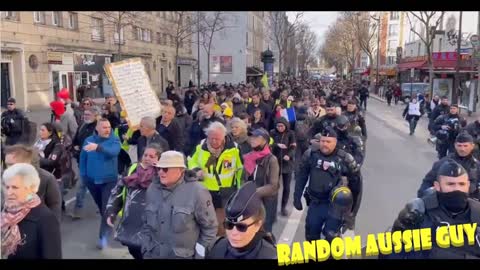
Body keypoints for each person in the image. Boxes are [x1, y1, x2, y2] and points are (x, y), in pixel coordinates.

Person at [383, 160, 480, 259]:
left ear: (468, 185)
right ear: (437, 186)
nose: (457, 189)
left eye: (462, 184)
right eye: (450, 184)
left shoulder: (477, 214)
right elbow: (391, 251)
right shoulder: (418, 212)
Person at [140, 151, 218, 259]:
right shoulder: (152, 189)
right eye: (159, 168)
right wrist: (145, 248)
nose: (161, 172)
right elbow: (146, 223)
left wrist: (199, 256)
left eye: (166, 169)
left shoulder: (197, 191)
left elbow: (209, 229)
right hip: (153, 255)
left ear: (180, 170)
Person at [294, 127, 360, 241]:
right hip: (316, 203)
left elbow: (357, 187)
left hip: (335, 207)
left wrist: (352, 213)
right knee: (311, 234)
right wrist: (296, 197)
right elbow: (301, 177)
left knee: (331, 238)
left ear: (335, 142)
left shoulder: (345, 159)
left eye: (328, 142)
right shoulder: (311, 155)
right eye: (323, 141)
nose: (324, 144)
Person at [105, 144, 163, 259]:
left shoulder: (162, 174)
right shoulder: (132, 169)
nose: (147, 158)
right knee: (134, 250)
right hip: (130, 223)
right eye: (145, 155)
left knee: (148, 252)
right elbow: (118, 191)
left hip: (151, 225)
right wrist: (112, 211)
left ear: (159, 159)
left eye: (152, 156)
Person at [188, 122, 243, 237]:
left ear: (224, 137)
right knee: (204, 221)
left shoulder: (234, 149)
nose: (214, 142)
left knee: (221, 224)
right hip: (206, 190)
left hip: (226, 192)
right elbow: (191, 160)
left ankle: (219, 244)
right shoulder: (201, 146)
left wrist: (239, 189)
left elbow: (240, 169)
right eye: (211, 138)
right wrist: (196, 170)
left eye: (217, 139)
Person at [2, 163, 62, 259]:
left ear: (31, 189)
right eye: (7, 187)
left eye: (15, 187)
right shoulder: (4, 212)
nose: (9, 193)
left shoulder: (45, 219)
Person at [79, 118, 121, 249]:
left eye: (108, 127)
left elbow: (114, 152)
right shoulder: (88, 140)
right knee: (102, 209)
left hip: (109, 181)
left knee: (106, 208)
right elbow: (83, 158)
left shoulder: (114, 140)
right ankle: (109, 223)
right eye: (104, 127)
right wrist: (84, 175)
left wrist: (98, 147)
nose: (107, 129)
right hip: (92, 181)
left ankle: (103, 238)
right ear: (97, 128)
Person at [206, 182, 277, 259]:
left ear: (258, 225)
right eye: (229, 225)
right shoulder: (216, 249)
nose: (234, 233)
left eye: (241, 227)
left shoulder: (273, 256)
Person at [3, 145, 62, 222]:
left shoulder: (46, 178)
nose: (9, 168)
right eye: (7, 164)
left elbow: (54, 205)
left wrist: (52, 227)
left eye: (12, 165)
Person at [418, 133, 480, 200]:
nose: (462, 149)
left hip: (467, 204)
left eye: (465, 146)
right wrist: (422, 199)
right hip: (444, 202)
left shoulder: (476, 165)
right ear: (455, 146)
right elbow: (428, 181)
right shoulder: (444, 162)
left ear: (472, 146)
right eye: (459, 146)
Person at [242, 129, 279, 234]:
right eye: (252, 137)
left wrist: (253, 192)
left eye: (257, 138)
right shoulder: (247, 156)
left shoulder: (272, 159)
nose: (252, 140)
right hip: (250, 201)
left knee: (265, 232)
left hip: (266, 202)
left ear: (265, 141)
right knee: (250, 230)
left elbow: (273, 186)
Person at [70, 108, 98, 219]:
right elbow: (75, 140)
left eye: (88, 114)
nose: (85, 116)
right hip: (82, 161)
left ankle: (103, 207)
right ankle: (77, 211)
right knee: (82, 186)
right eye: (85, 114)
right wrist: (75, 148)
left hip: (95, 163)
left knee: (92, 186)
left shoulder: (98, 128)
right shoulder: (82, 125)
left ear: (95, 115)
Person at [270, 118, 296, 217]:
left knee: (286, 187)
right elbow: (269, 144)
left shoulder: (291, 133)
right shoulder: (272, 133)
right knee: (274, 186)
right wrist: (277, 145)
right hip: (275, 162)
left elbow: (293, 147)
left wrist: (289, 155)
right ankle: (272, 208)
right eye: (278, 126)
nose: (280, 128)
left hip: (287, 163)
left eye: (282, 126)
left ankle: (283, 207)